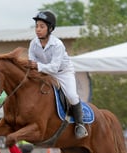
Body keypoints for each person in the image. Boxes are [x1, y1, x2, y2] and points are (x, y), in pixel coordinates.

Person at [28, 11, 88, 139]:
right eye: (36, 26)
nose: (38, 29)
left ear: (50, 29)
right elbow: (31, 63)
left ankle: (80, 125)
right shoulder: (33, 43)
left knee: (72, 96)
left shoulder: (57, 45)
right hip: (42, 73)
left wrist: (37, 66)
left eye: (42, 27)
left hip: (63, 73)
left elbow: (54, 68)